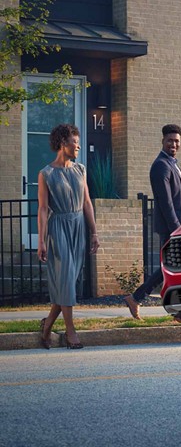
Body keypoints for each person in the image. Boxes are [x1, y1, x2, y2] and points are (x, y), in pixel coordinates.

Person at [38, 124, 100, 349]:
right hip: (58, 229)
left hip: (78, 228)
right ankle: (70, 332)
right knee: (65, 280)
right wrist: (41, 240)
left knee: (68, 284)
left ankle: (46, 327)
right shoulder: (46, 174)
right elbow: (43, 209)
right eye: (74, 141)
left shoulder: (80, 169)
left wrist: (93, 232)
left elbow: (86, 202)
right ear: (63, 143)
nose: (78, 145)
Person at [124, 124, 181, 319]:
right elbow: (166, 202)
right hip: (172, 227)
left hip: (180, 225)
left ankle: (139, 298)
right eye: (170, 140)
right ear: (162, 141)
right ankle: (174, 310)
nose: (174, 144)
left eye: (177, 141)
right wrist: (176, 229)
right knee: (172, 268)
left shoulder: (172, 163)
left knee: (172, 268)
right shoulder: (161, 165)